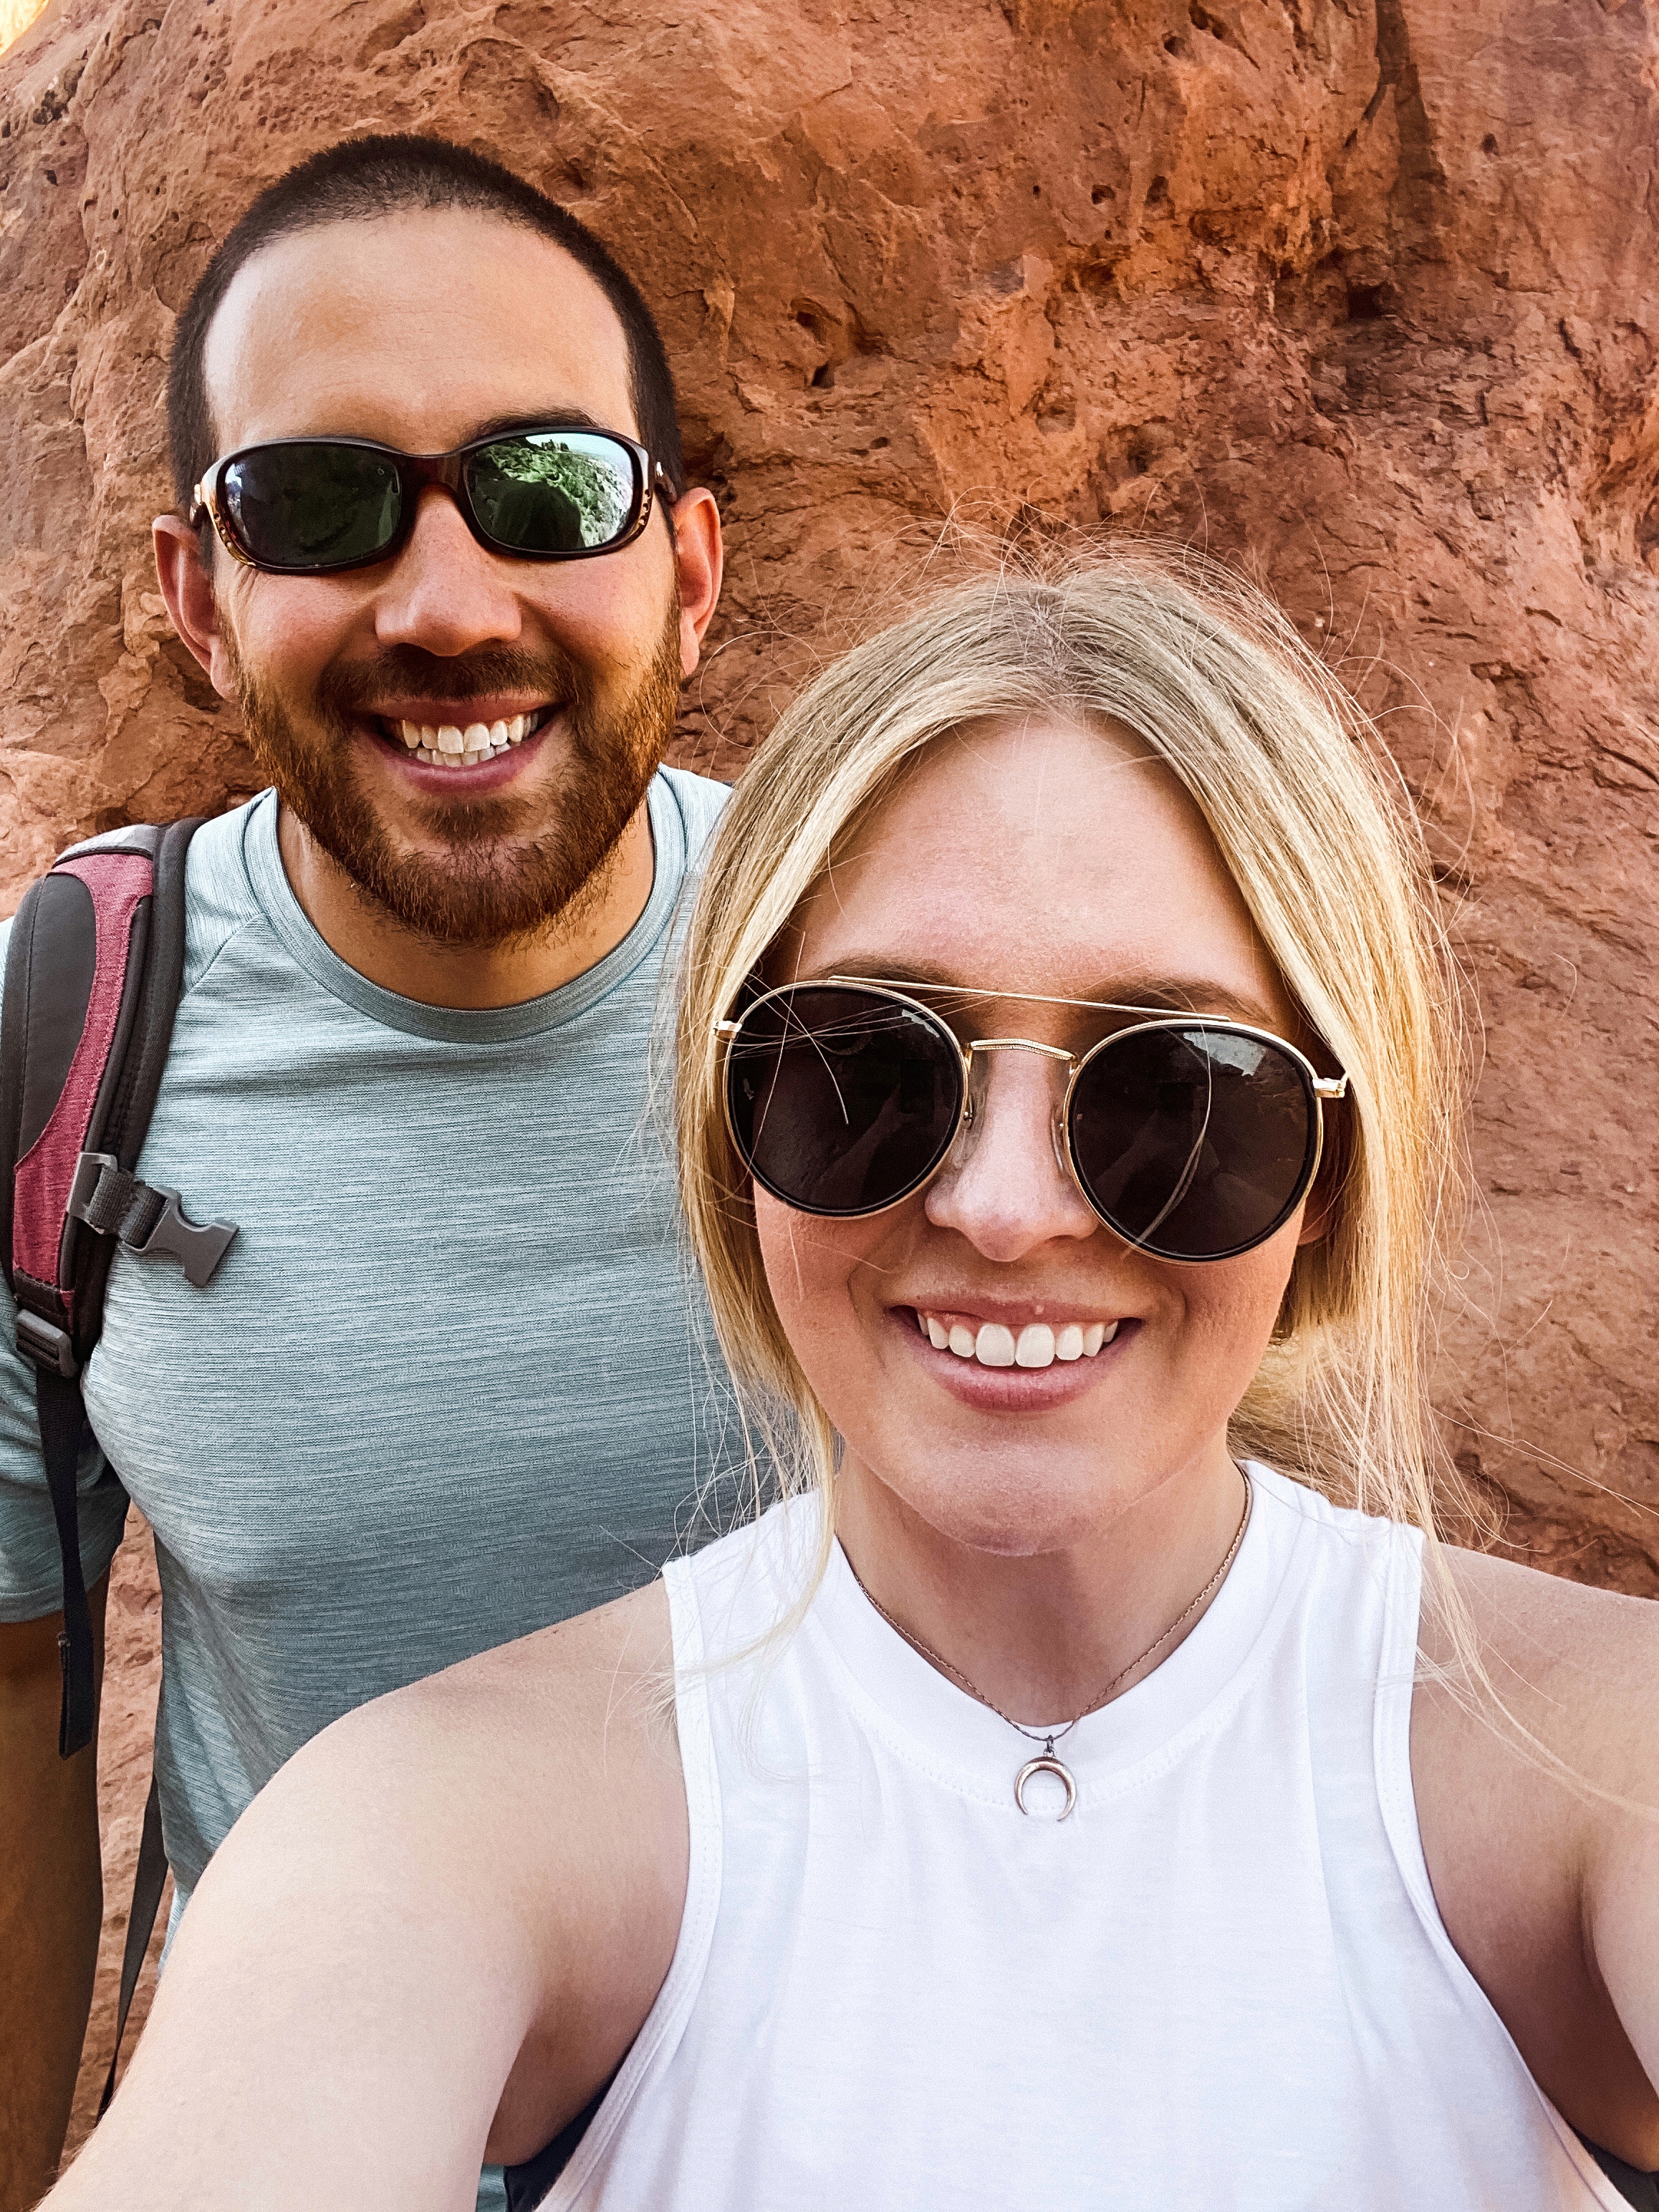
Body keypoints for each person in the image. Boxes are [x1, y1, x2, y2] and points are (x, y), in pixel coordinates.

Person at [40, 557, 1659, 2211]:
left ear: (1332, 1173)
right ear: (733, 1129)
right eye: (868, 1065)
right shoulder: (444, 1817)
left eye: (1175, 1089)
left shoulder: (1596, 1751)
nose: (1007, 1208)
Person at [0, 133, 732, 2211]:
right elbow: (21, 1694)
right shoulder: (71, 1028)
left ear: (687, 569)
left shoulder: (864, 981)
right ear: (195, 598)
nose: (446, 607)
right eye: (317, 505)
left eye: (548, 490)